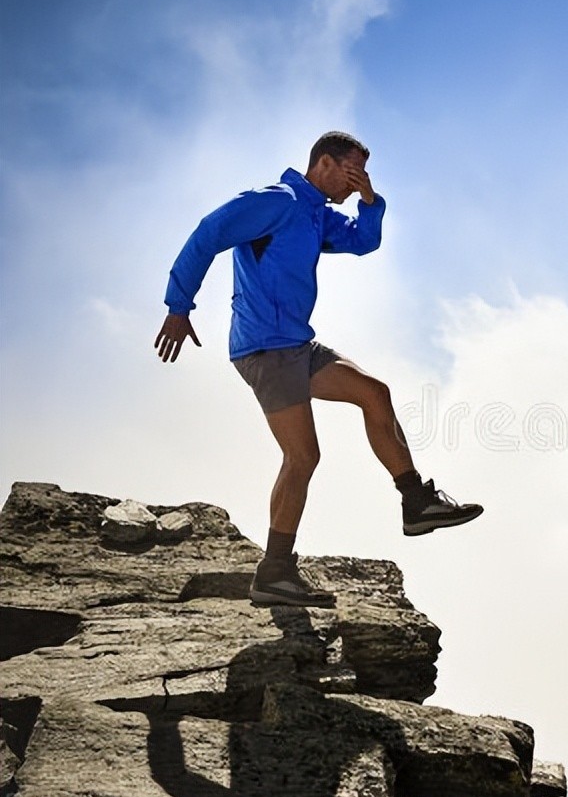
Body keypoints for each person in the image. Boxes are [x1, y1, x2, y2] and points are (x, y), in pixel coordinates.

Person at [155, 131, 482, 608]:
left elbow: (362, 242)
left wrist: (370, 201)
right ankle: (275, 573)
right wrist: (178, 306)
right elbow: (210, 231)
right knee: (303, 457)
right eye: (353, 173)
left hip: (297, 345)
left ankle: (416, 502)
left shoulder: (315, 215)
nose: (357, 183)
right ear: (325, 163)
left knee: (374, 392)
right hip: (265, 349)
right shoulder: (277, 201)